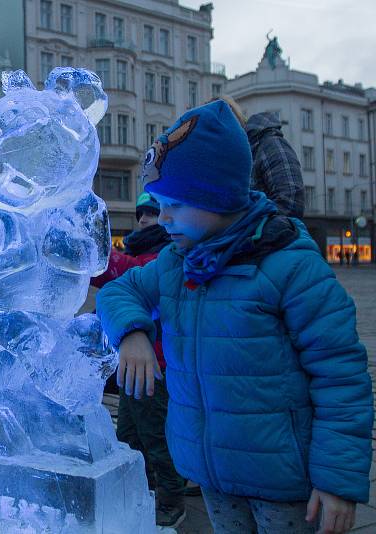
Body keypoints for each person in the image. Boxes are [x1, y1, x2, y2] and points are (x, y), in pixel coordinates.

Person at [97, 100, 372, 534]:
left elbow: (341, 378)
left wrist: (338, 480)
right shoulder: (175, 262)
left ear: (219, 195)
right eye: (160, 204)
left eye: (175, 205)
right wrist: (132, 331)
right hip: (209, 470)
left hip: (281, 480)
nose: (163, 218)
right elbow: (119, 290)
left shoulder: (290, 266)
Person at [92, 193, 185, 528]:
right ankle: (141, 488)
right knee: (129, 433)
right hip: (131, 365)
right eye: (142, 213)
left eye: (152, 213)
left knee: (157, 435)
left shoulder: (167, 254)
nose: (145, 219)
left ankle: (172, 496)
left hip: (157, 364)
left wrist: (97, 255)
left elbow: (129, 274)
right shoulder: (137, 248)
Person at [216, 96, 304, 218]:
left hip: (269, 235)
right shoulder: (225, 159)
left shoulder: (268, 144)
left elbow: (291, 203)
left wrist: (242, 229)